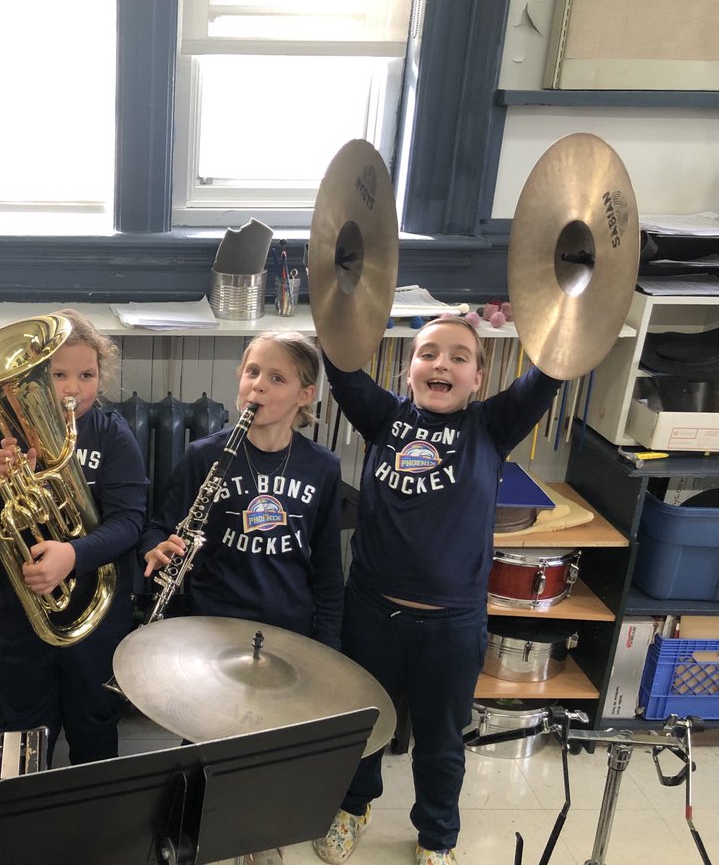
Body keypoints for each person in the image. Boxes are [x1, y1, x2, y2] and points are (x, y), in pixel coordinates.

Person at [312, 315, 561, 865]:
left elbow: (547, 373)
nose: (441, 363)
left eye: (458, 356)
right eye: (427, 353)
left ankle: (437, 836)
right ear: (407, 372)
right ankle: (353, 808)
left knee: (442, 743)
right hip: (373, 612)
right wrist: (336, 287)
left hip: (452, 624)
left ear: (478, 378)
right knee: (364, 726)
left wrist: (565, 310)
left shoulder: (492, 426)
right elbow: (341, 359)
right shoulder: (383, 418)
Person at [0, 308, 148, 765]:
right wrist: (7, 488)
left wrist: (72, 554)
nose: (73, 388)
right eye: (58, 374)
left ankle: (91, 814)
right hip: (23, 611)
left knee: (95, 721)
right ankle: (24, 813)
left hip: (97, 609)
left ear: (100, 376)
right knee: (23, 729)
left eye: (86, 374)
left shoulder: (114, 436)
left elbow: (129, 523)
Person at [141, 330, 344, 647]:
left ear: (304, 395)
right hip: (213, 620)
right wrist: (156, 547)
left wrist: (327, 640)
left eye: (277, 378)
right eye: (252, 371)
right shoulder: (203, 455)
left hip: (288, 626)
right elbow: (159, 528)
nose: (258, 384)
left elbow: (328, 566)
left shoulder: (323, 466)